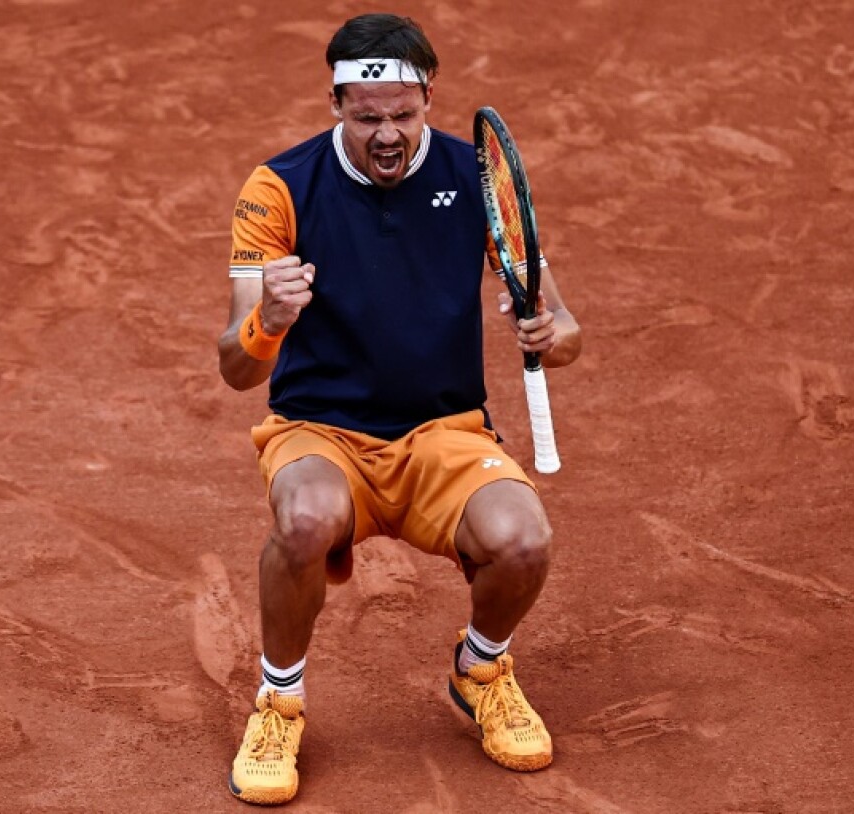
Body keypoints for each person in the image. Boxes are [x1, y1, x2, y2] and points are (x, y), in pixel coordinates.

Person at [217, 12, 582, 806]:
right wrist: (268, 320)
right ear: (336, 102)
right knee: (304, 522)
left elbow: (566, 329)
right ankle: (279, 701)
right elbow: (237, 369)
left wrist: (552, 332)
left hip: (443, 435)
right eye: (366, 116)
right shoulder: (278, 187)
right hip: (320, 431)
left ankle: (480, 671)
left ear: (428, 100)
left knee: (524, 541)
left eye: (404, 115)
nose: (387, 135)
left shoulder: (477, 178)